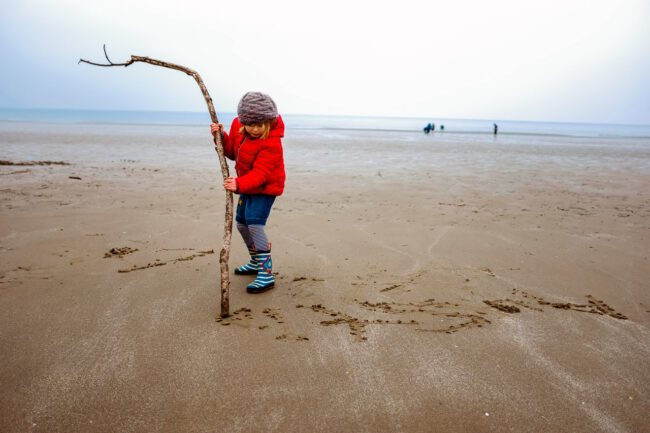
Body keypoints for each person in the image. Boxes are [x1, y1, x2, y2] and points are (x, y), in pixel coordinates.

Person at [210, 92, 285, 293]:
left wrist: (239, 184)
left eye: (260, 125)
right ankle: (255, 261)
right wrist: (221, 137)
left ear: (270, 121)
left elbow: (261, 174)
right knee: (242, 224)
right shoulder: (239, 127)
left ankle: (266, 274)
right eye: (250, 124)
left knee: (254, 224)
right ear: (243, 121)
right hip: (246, 185)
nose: (255, 129)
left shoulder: (272, 142)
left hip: (265, 188)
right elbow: (234, 152)